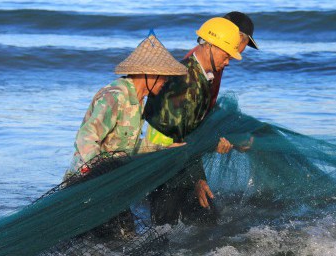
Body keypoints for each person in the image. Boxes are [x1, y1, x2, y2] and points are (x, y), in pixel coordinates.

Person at [142, 16, 252, 225]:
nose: (228, 61)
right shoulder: (184, 81)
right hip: (165, 166)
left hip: (180, 162)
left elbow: (193, 127)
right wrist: (199, 179)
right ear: (209, 46)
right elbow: (180, 137)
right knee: (166, 229)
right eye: (226, 54)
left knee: (202, 224)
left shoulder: (200, 77)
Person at [65, 32, 186, 180]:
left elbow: (130, 145)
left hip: (112, 176)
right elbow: (86, 136)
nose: (166, 81)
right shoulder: (115, 97)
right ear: (149, 74)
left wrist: (163, 149)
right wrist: (98, 170)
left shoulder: (139, 100)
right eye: (164, 76)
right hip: (85, 179)